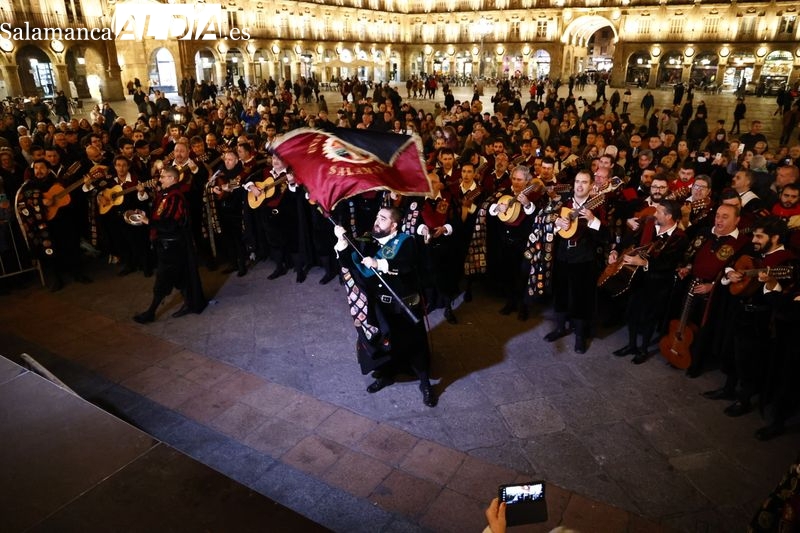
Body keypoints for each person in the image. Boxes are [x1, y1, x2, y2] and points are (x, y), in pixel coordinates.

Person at [333, 207, 437, 407]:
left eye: (383, 218)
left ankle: (425, 384)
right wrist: (342, 242)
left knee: (415, 345)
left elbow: (407, 265)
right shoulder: (368, 240)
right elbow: (351, 263)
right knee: (386, 343)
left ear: (394, 225)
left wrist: (380, 264)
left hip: (404, 306)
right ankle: (387, 374)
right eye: (377, 217)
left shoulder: (407, 241)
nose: (377, 221)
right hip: (381, 307)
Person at [610, 200, 688, 364]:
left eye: (659, 212)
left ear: (668, 216)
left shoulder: (679, 238)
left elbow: (670, 263)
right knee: (632, 312)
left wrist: (646, 263)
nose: (654, 214)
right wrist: (616, 251)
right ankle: (631, 345)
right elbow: (629, 239)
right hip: (638, 279)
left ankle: (644, 349)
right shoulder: (649, 223)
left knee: (649, 318)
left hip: (659, 284)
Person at [133, 166, 207, 323]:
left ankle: (151, 312)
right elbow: (160, 215)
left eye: (164, 177)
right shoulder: (165, 194)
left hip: (172, 246)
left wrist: (148, 221)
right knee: (181, 276)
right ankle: (190, 303)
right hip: (166, 244)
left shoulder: (175, 197)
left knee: (163, 279)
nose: (160, 179)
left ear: (173, 179)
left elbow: (171, 224)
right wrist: (148, 217)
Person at [546, 170, 607, 353]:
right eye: (577, 182)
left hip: (584, 259)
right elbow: (549, 224)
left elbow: (606, 236)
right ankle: (559, 327)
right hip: (563, 256)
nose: (580, 185)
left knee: (581, 297)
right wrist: (557, 225)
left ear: (590, 185)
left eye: (584, 182)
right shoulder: (564, 204)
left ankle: (580, 335)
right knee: (561, 292)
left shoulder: (598, 206)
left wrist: (593, 220)